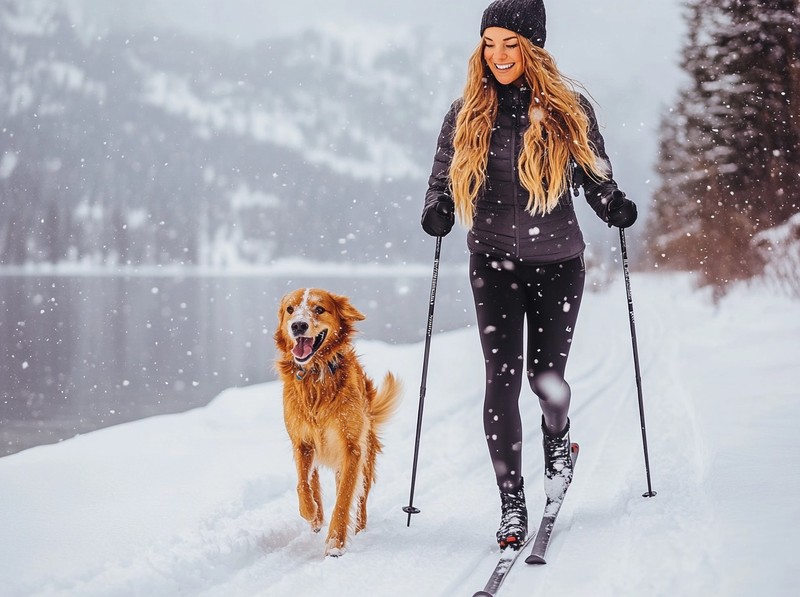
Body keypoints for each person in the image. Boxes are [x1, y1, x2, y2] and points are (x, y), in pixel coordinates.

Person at [420, 0, 637, 551]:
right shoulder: (465, 111)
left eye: (510, 44)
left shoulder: (569, 108)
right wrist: (438, 209)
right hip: (491, 261)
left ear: (532, 47)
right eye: (490, 44)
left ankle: (558, 438)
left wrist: (612, 202)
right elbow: (441, 178)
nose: (497, 56)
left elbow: (595, 174)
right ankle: (512, 501)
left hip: (559, 264)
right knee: (501, 378)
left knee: (548, 382)